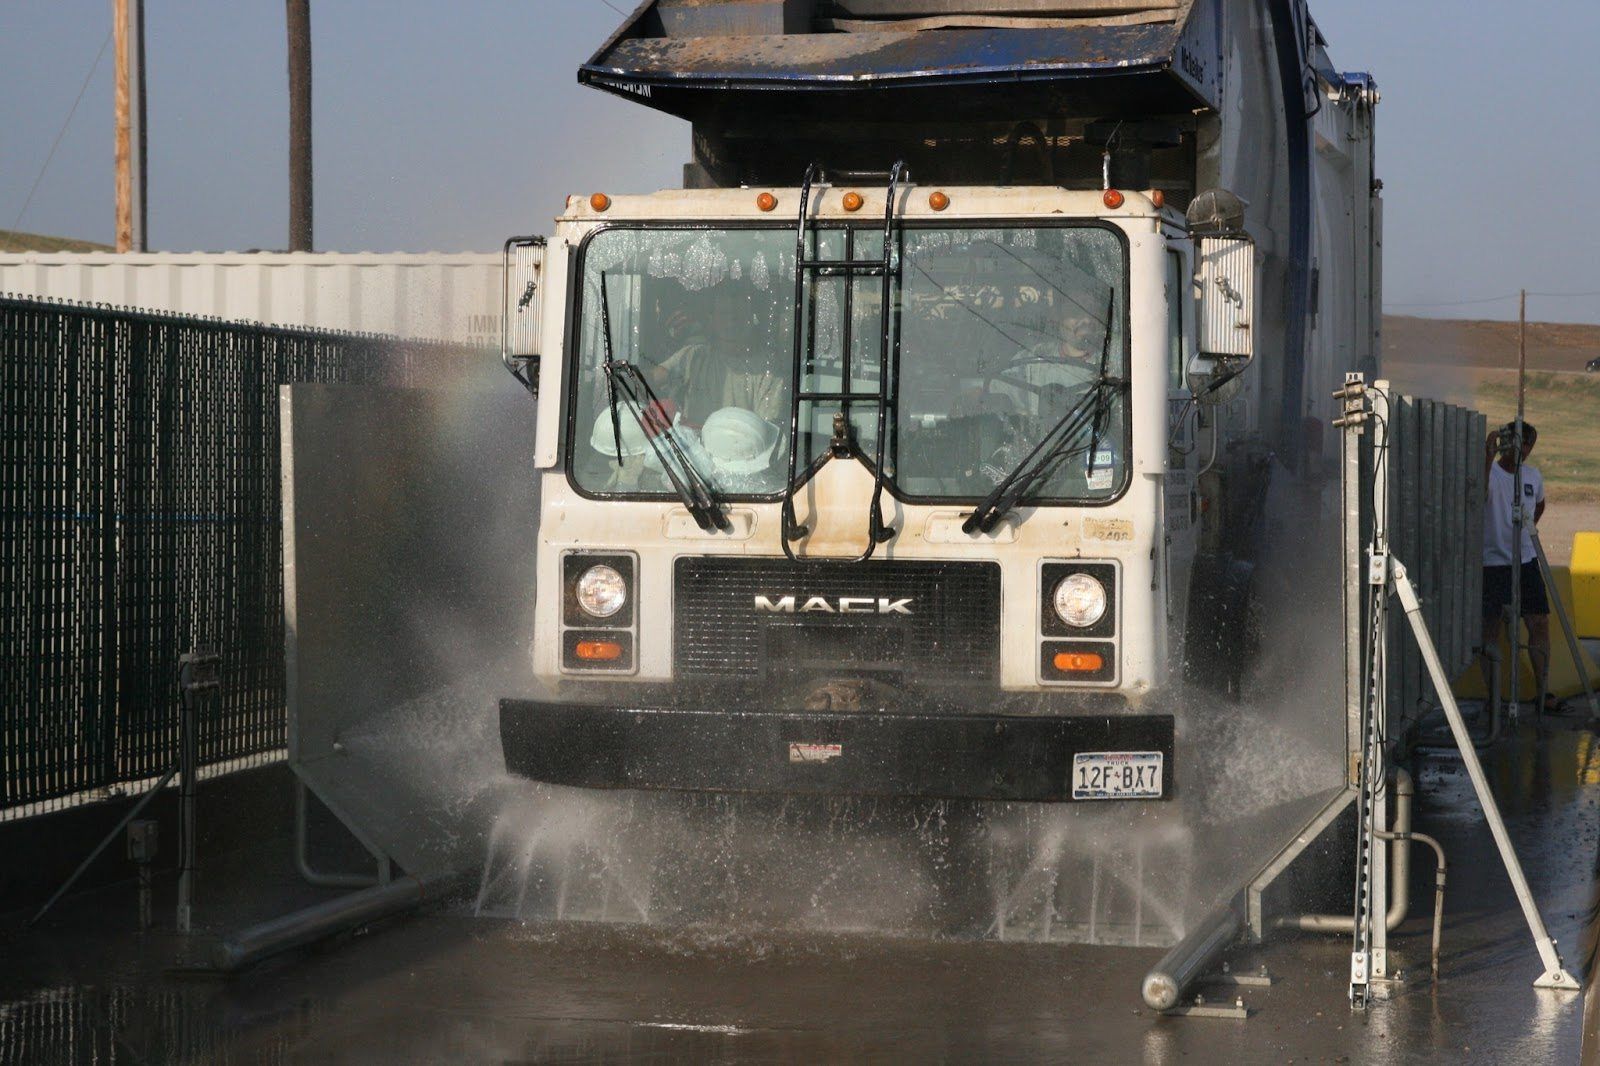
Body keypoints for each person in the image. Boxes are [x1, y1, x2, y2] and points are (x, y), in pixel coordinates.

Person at [1479, 420, 1552, 712]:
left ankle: (1543, 691)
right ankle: (1493, 697)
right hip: (1493, 563)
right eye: (1517, 442)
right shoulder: (1491, 472)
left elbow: (1541, 504)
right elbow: (1478, 495)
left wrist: (1527, 531)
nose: (1522, 449)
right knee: (1490, 628)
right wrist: (1487, 456)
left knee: (1539, 622)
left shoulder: (1533, 476)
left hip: (1525, 560)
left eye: (1527, 444)